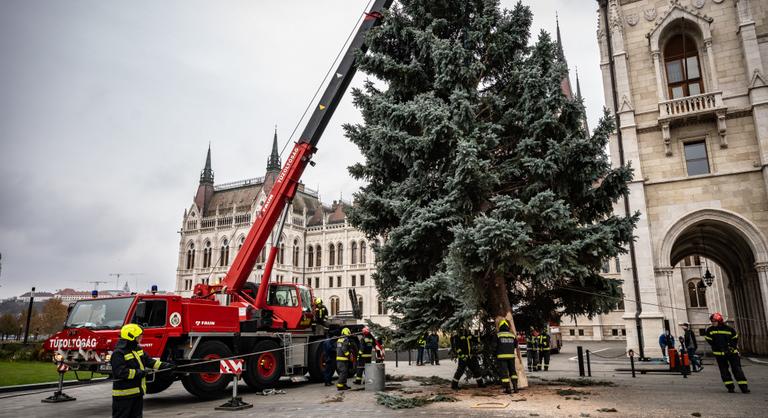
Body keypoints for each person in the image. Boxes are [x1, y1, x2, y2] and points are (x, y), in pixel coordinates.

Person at [111, 323, 172, 418]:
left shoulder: (137, 349)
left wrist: (166, 366)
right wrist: (140, 373)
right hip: (124, 396)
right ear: (131, 337)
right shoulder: (118, 353)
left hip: (137, 393)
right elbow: (121, 372)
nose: (141, 339)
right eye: (139, 337)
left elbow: (150, 361)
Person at [704, 312, 749, 393]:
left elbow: (735, 339)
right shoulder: (710, 330)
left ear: (719, 321)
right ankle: (730, 387)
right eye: (712, 321)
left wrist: (731, 347)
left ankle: (744, 387)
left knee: (737, 370)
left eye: (714, 321)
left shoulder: (729, 329)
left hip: (732, 353)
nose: (712, 323)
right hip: (720, 355)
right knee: (724, 371)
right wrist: (717, 347)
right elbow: (709, 340)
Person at [496, 319, 518, 394]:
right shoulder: (512, 335)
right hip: (511, 357)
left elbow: (494, 346)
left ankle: (508, 388)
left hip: (501, 357)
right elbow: (516, 345)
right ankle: (515, 388)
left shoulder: (498, 335)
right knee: (513, 372)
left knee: (504, 373)